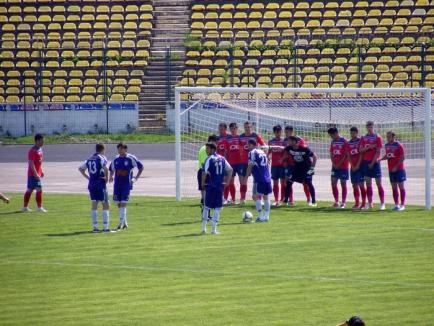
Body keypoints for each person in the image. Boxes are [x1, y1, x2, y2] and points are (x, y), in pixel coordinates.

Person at [109, 143, 144, 230]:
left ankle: (120, 224)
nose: (119, 151)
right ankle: (124, 222)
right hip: (117, 184)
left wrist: (135, 178)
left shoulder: (131, 158)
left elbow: (141, 167)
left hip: (126, 184)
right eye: (118, 149)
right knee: (118, 203)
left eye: (121, 149)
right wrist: (111, 176)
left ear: (125, 149)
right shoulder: (116, 158)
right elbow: (111, 169)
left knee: (123, 203)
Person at [201, 142, 232, 234]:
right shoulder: (222, 159)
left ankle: (203, 229)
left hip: (210, 186)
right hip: (219, 186)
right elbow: (230, 169)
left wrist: (203, 183)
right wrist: (228, 181)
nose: (206, 151)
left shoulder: (209, 159)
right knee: (217, 208)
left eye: (207, 149)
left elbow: (204, 172)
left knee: (206, 207)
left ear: (213, 150)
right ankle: (214, 230)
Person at [78, 143, 111, 233]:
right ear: (103, 149)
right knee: (106, 204)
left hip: (91, 184)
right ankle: (105, 227)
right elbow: (106, 169)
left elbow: (80, 169)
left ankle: (95, 227)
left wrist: (89, 177)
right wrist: (107, 178)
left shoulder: (89, 159)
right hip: (100, 183)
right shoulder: (102, 158)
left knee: (94, 204)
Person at [284, 136, 318, 207]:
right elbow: (282, 149)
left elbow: (315, 156)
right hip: (297, 169)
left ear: (294, 142)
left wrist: (312, 168)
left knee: (308, 183)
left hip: (307, 169)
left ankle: (314, 201)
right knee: (289, 182)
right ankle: (285, 201)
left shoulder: (304, 149)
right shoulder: (289, 148)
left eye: (289, 141)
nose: (288, 142)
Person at [360, 121, 385, 210]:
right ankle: (370, 203)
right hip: (366, 162)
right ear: (366, 127)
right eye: (368, 127)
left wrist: (372, 163)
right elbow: (361, 150)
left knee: (378, 183)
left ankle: (382, 203)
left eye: (370, 127)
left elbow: (378, 152)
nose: (369, 128)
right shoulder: (363, 137)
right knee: (368, 184)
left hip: (375, 163)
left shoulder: (377, 137)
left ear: (373, 127)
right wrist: (369, 147)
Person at [246, 139, 273, 222]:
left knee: (255, 196)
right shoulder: (262, 152)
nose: (248, 147)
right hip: (267, 178)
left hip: (259, 178)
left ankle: (260, 216)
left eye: (248, 145)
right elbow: (267, 163)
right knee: (266, 197)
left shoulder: (252, 152)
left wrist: (246, 176)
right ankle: (267, 217)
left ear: (251, 145)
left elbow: (250, 165)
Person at [283, 125, 311, 204]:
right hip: (289, 164)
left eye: (287, 132)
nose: (286, 134)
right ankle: (291, 200)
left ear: (292, 132)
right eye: (285, 132)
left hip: (299, 165)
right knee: (288, 181)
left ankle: (309, 199)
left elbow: (303, 151)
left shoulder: (299, 140)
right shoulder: (285, 140)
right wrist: (284, 161)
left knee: (304, 182)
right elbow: (285, 152)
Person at [239, 121, 265, 205]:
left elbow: (263, 145)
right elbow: (240, 148)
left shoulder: (255, 135)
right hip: (244, 162)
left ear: (251, 127)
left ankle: (259, 198)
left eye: (248, 127)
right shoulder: (241, 136)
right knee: (243, 180)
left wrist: (264, 156)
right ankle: (242, 199)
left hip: (255, 162)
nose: (247, 129)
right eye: (245, 127)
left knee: (256, 179)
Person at [380, 131, 406, 211]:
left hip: (399, 169)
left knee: (401, 186)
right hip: (391, 170)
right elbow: (388, 155)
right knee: (394, 187)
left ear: (393, 137)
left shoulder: (399, 145)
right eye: (387, 136)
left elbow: (402, 158)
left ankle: (402, 205)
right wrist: (381, 159)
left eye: (389, 136)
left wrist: (396, 166)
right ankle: (396, 204)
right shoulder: (387, 145)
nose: (388, 138)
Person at [22, 133, 47, 212]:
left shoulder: (40, 149)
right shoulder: (32, 150)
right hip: (33, 174)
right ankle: (39, 208)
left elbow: (38, 162)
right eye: (41, 141)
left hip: (36, 174)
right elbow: (31, 163)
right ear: (37, 141)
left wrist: (41, 170)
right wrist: (36, 173)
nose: (43, 142)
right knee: (39, 189)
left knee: (30, 189)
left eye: (43, 141)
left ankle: (25, 207)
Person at [197, 135, 219, 218]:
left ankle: (206, 215)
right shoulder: (204, 150)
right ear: (211, 141)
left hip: (207, 173)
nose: (216, 144)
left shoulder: (209, 150)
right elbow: (204, 165)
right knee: (206, 194)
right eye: (216, 142)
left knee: (208, 194)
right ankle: (205, 214)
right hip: (204, 173)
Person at [328, 127, 349, 208]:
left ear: (336, 133)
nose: (331, 137)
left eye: (332, 135)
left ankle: (343, 202)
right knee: (333, 183)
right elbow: (331, 153)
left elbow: (346, 154)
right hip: (335, 166)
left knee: (343, 183)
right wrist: (334, 163)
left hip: (343, 166)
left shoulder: (344, 141)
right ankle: (336, 201)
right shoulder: (333, 142)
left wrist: (339, 164)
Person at [348, 127, 367, 209]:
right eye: (351, 133)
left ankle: (363, 203)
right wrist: (352, 165)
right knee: (354, 185)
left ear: (357, 133)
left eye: (353, 133)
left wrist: (358, 165)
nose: (352, 135)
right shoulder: (349, 143)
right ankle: (357, 203)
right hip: (353, 167)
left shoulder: (360, 141)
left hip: (360, 166)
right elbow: (348, 155)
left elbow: (361, 154)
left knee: (361, 185)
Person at [224, 122, 242, 205]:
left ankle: (242, 199)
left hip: (240, 163)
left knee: (242, 181)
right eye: (231, 128)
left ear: (237, 128)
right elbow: (226, 151)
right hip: (231, 163)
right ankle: (233, 199)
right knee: (230, 182)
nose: (233, 130)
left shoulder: (240, 138)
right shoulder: (227, 139)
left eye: (234, 128)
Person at [268, 125, 286, 206]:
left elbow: (287, 153)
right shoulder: (271, 142)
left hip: (282, 165)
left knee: (283, 183)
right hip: (274, 165)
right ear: (274, 132)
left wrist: (283, 159)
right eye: (276, 132)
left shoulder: (284, 142)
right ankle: (276, 200)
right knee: (275, 183)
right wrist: (268, 157)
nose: (278, 133)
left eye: (279, 132)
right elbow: (269, 152)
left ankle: (282, 199)